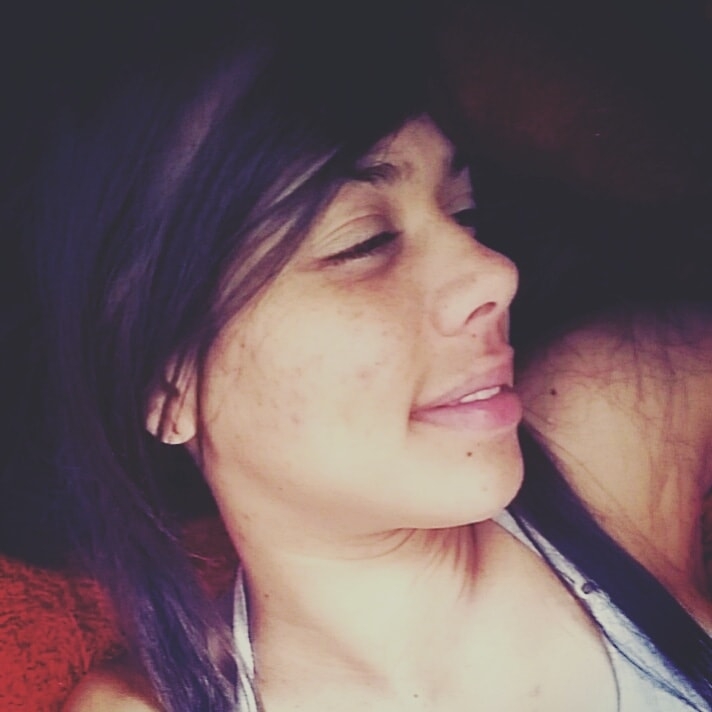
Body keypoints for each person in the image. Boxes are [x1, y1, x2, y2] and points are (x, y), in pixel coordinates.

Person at [7, 1, 708, 710]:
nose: (494, 273)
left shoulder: (607, 423)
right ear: (167, 387)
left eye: (464, 212)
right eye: (362, 242)